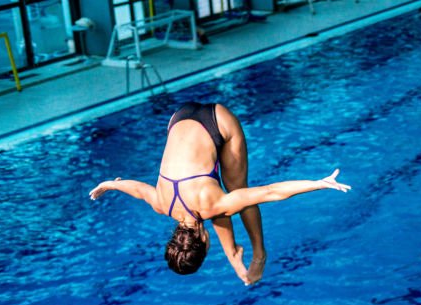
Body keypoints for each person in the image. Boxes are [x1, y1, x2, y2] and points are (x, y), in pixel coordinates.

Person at [89, 102, 350, 285]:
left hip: (217, 120)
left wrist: (320, 183)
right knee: (221, 204)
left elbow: (271, 192)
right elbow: (136, 189)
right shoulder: (160, 204)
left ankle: (258, 253)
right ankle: (235, 256)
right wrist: (109, 184)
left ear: (204, 241)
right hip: (180, 116)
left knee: (237, 193)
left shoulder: (215, 205)